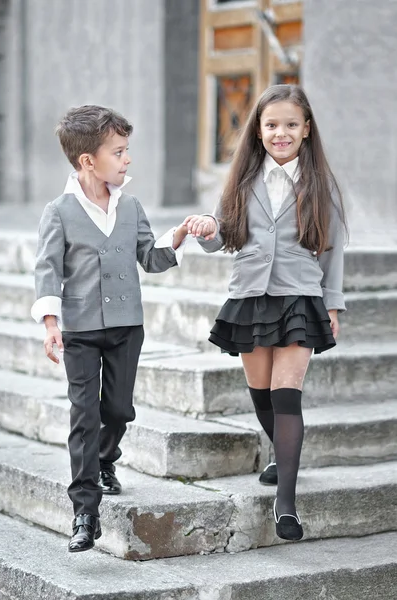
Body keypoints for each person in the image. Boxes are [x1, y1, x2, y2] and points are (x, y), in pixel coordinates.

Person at [184, 84, 346, 542]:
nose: (281, 133)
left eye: (291, 125)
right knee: (261, 395)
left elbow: (333, 250)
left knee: (286, 394)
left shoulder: (320, 184)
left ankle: (286, 505)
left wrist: (331, 302)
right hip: (250, 295)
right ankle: (281, 452)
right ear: (258, 130)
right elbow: (221, 236)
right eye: (272, 124)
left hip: (300, 294)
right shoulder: (241, 180)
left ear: (306, 130)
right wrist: (204, 228)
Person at [31, 105, 187, 553]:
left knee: (117, 410)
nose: (127, 159)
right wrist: (50, 323)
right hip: (79, 329)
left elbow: (150, 259)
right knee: (85, 415)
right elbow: (47, 270)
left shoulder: (131, 205)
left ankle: (105, 458)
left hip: (125, 326)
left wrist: (173, 240)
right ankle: (85, 511)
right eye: (119, 152)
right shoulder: (58, 211)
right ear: (87, 161)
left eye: (126, 150)